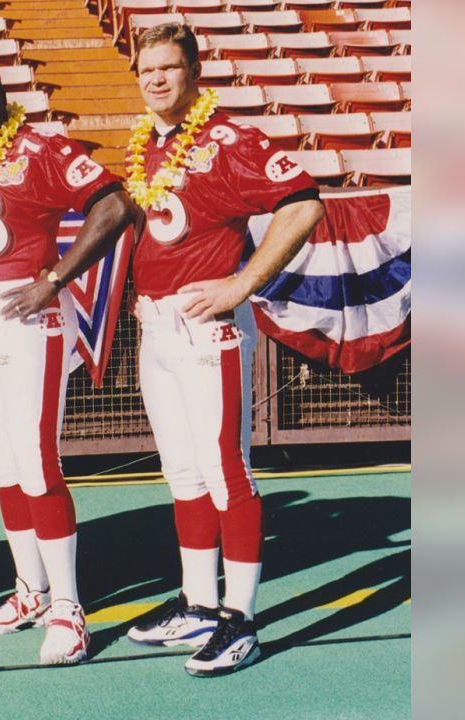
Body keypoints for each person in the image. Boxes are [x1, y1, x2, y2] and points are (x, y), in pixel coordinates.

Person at [121, 22, 325, 677]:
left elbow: (303, 205)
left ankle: (241, 619)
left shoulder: (227, 138)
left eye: (168, 68)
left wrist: (242, 281)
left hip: (207, 331)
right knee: (181, 472)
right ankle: (198, 602)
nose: (155, 79)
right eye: (146, 69)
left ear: (194, 71)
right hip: (158, 329)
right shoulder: (148, 145)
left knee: (225, 471)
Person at [0, 60, 135, 665]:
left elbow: (115, 205)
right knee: (0, 461)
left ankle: (69, 609)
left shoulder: (41, 146)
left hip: (30, 315)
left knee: (35, 456)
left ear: (3, 98)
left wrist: (55, 278)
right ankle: (30, 590)